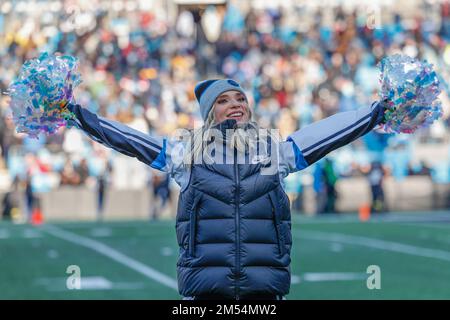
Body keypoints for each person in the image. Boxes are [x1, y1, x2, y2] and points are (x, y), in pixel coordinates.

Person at [65, 78, 387, 300]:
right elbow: (128, 139)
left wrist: (378, 111)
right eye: (223, 101)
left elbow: (331, 132)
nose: (236, 104)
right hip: (204, 292)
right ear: (209, 115)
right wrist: (76, 114)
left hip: (265, 290)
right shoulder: (186, 155)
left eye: (240, 99)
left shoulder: (275, 152)